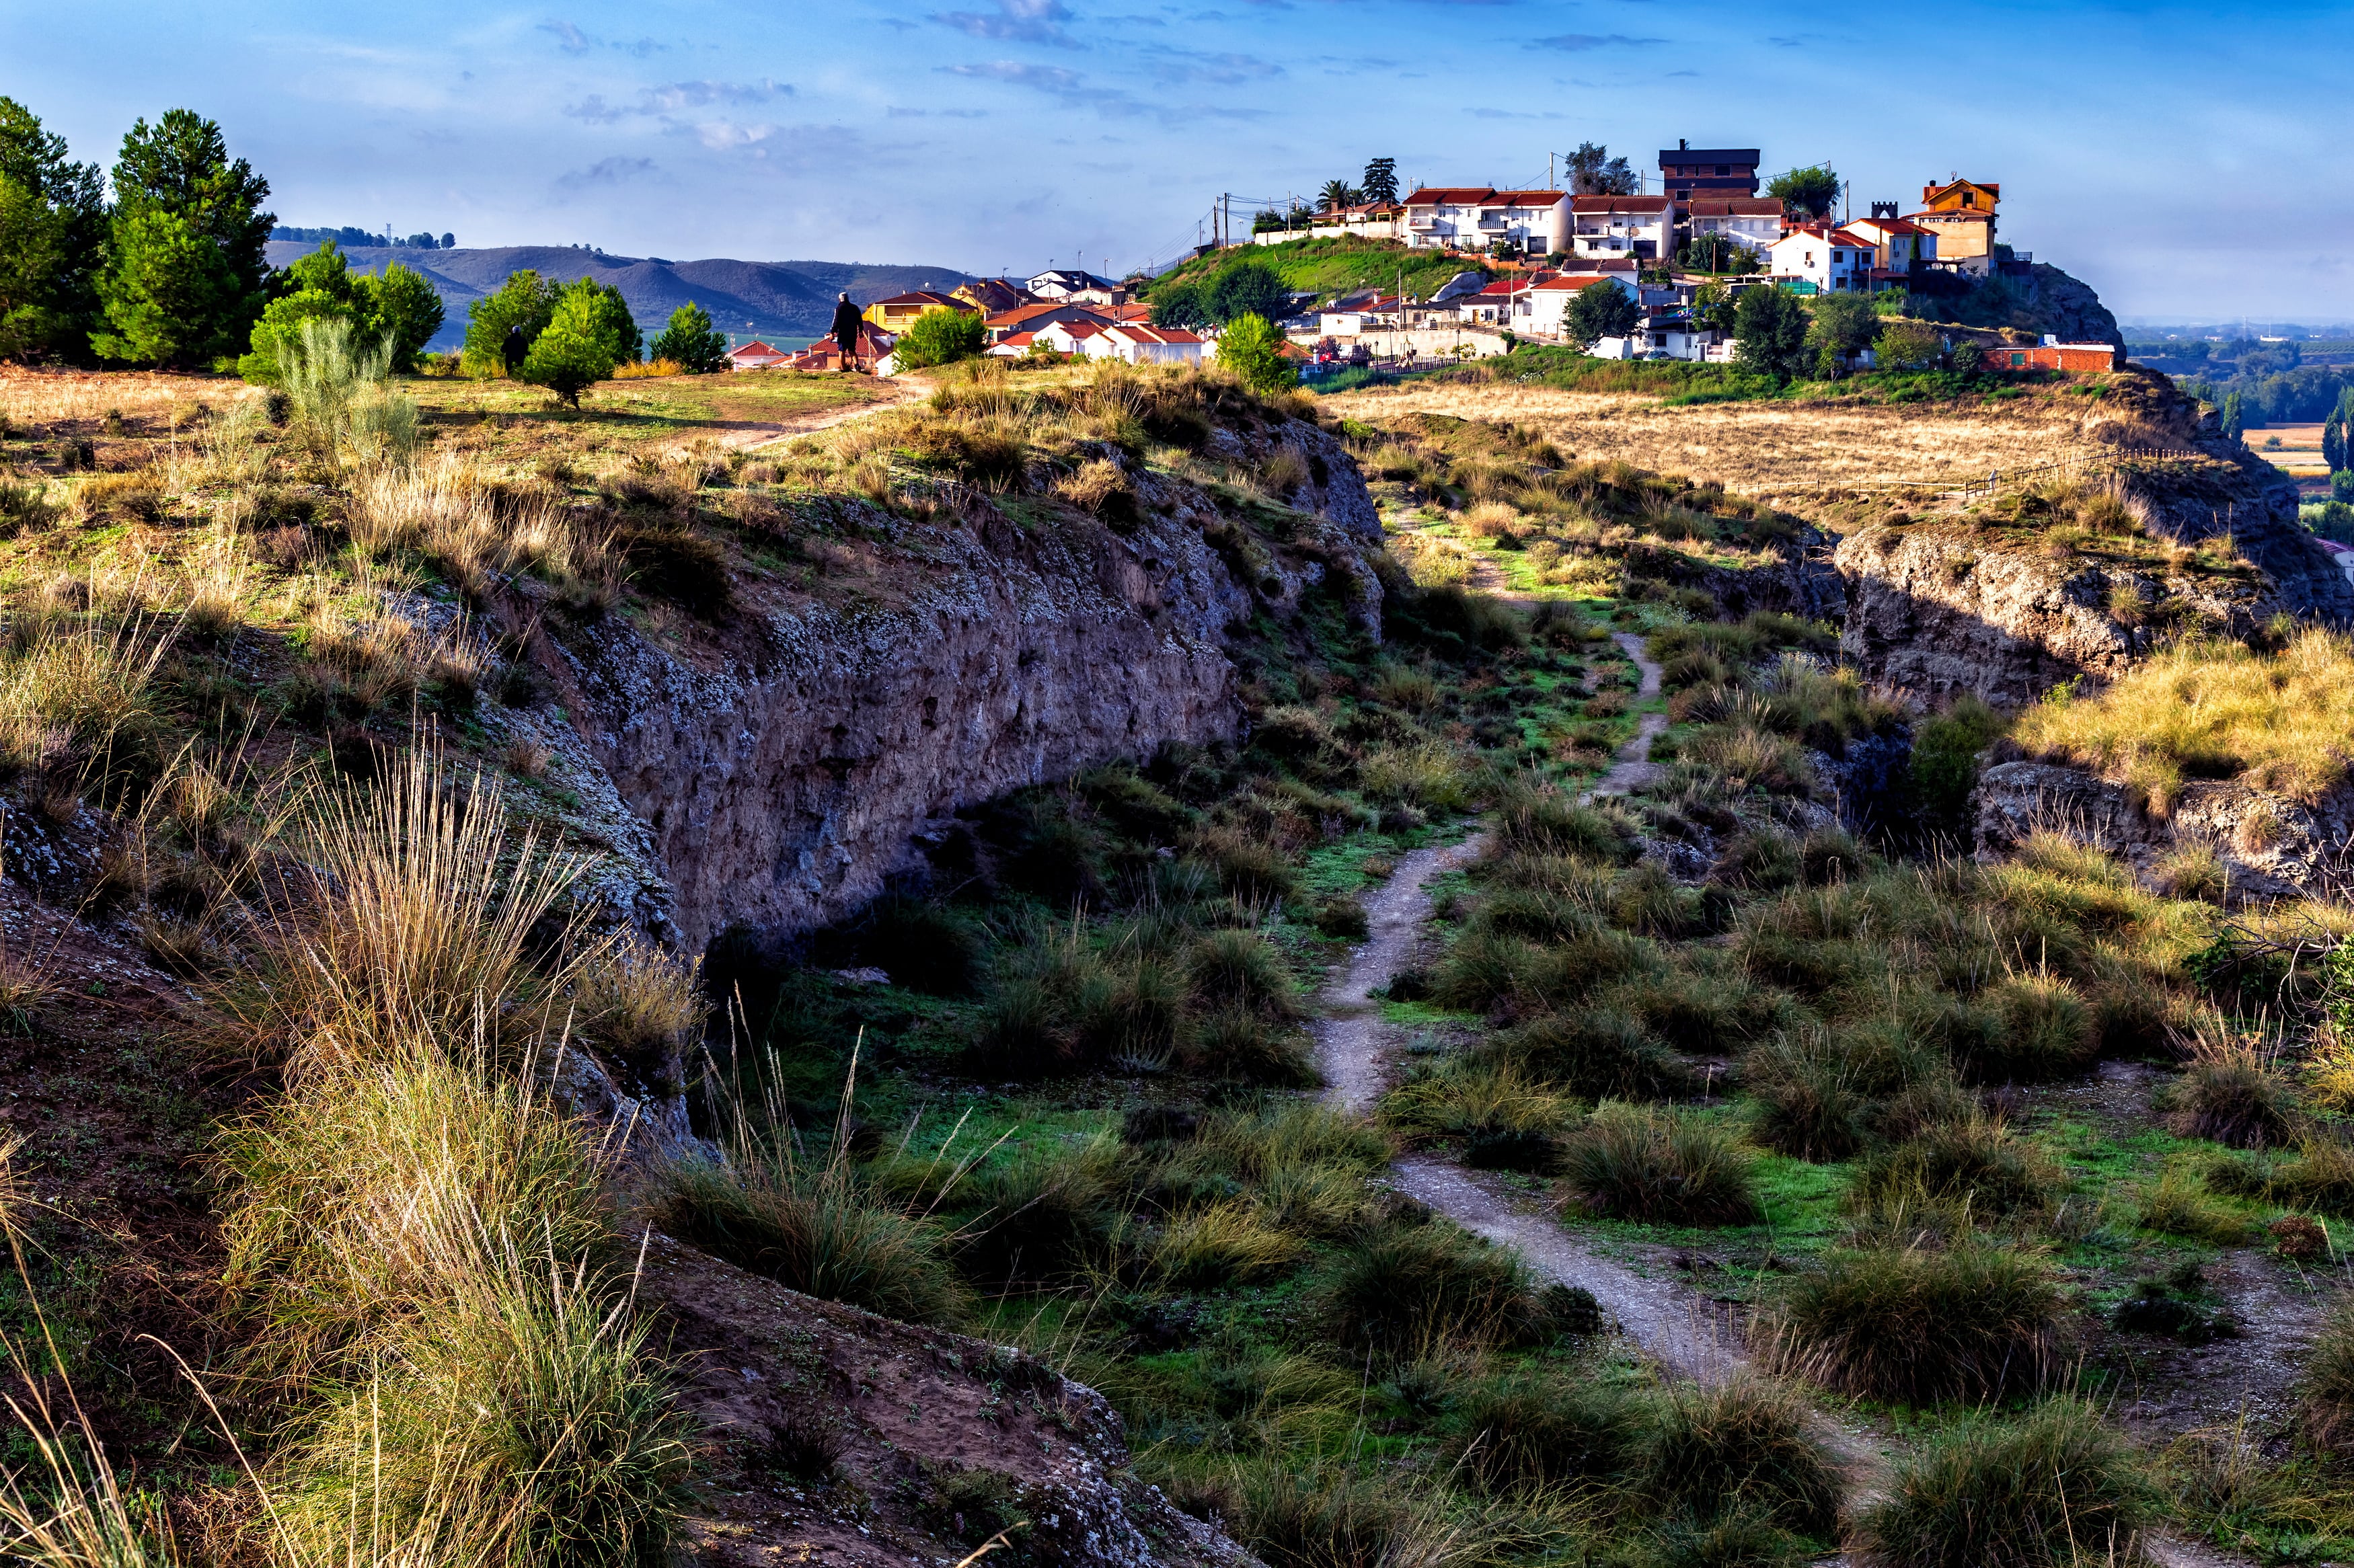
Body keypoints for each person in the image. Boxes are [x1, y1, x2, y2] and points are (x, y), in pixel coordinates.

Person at [831, 292, 863, 367]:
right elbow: (860, 320)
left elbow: (836, 321)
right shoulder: (855, 308)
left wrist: (833, 332)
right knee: (852, 350)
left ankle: (843, 369)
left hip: (843, 333)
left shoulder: (839, 308)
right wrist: (860, 330)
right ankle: (857, 365)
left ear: (840, 299)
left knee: (841, 351)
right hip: (853, 333)